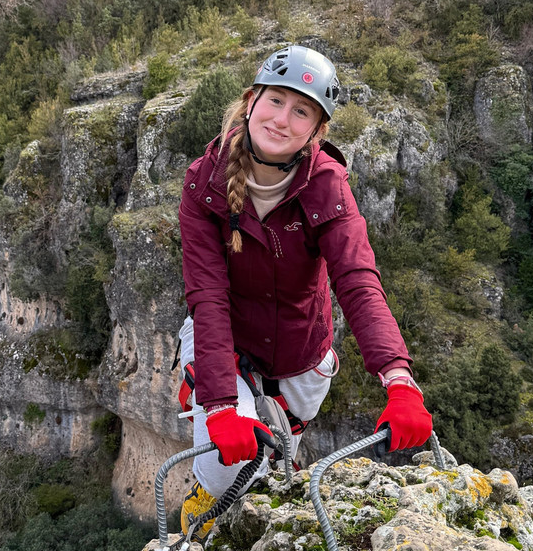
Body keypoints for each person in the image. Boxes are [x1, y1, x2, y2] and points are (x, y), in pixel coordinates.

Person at [176, 44, 433, 539]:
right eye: (275, 101)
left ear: (316, 131)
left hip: (301, 354)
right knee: (228, 467)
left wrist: (399, 381)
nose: (281, 120)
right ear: (251, 101)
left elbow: (357, 280)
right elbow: (207, 295)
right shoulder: (203, 183)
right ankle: (205, 503)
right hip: (223, 344)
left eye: (301, 112)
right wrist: (221, 405)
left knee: (274, 456)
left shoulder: (326, 186)